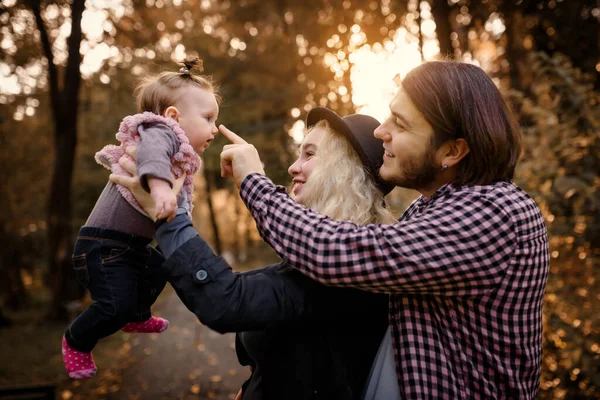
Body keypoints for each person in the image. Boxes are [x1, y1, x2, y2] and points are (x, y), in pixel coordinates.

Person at [218, 61, 550, 399]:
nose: (381, 131)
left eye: (401, 125)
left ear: (451, 150)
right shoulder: (426, 209)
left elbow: (341, 251)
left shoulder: (494, 213)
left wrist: (254, 181)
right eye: (390, 115)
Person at [110, 108, 395, 399]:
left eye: (309, 154)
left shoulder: (345, 266)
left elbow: (226, 300)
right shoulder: (328, 254)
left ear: (344, 170)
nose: (293, 168)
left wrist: (171, 218)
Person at [62, 58, 220, 380]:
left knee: (164, 262)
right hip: (102, 246)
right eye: (208, 118)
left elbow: (184, 202)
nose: (215, 128)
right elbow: (152, 159)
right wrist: (161, 191)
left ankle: (137, 314)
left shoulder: (182, 158)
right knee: (113, 305)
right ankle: (76, 340)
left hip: (129, 245)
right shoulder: (160, 132)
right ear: (174, 117)